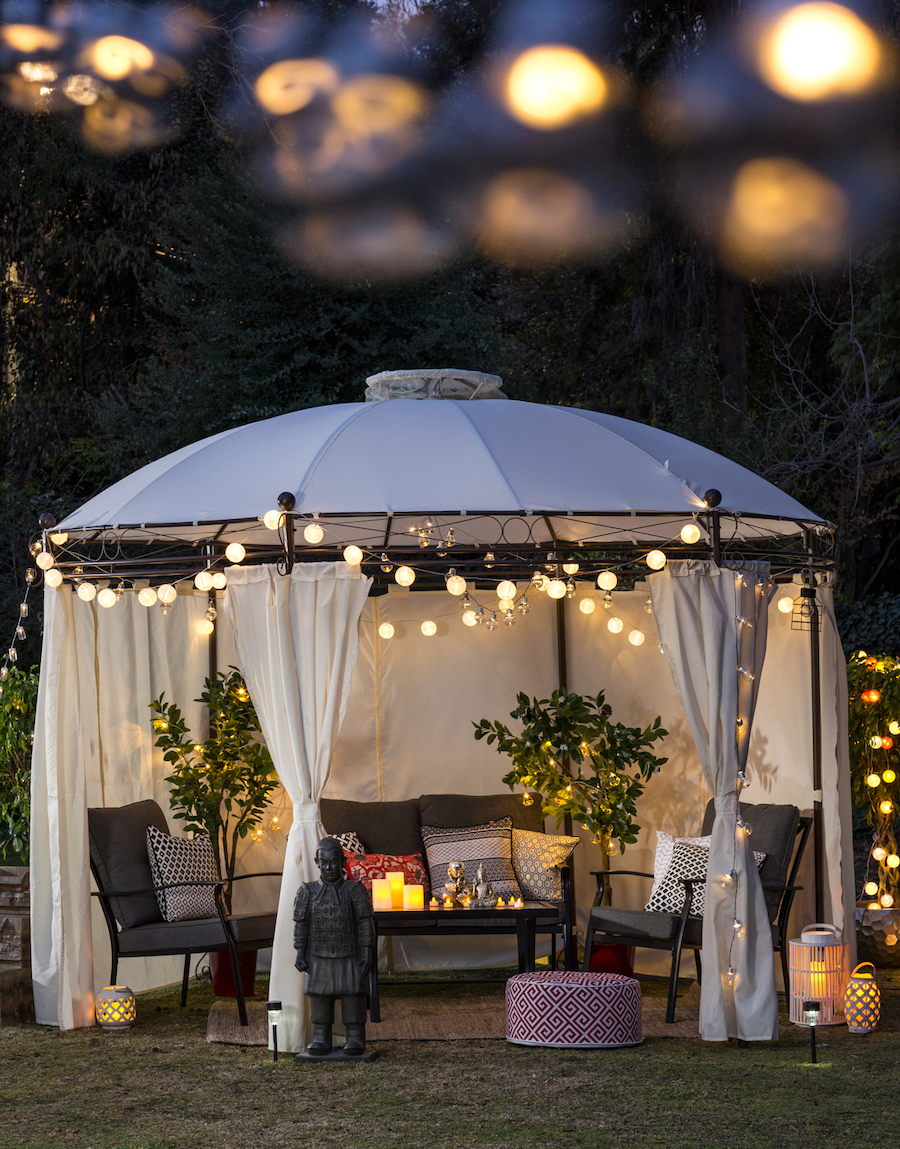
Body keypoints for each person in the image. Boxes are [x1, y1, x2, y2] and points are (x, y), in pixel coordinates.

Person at [293, 837, 374, 1056]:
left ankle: (355, 1038)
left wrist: (366, 951)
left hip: (350, 955)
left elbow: (365, 923)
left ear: (342, 862)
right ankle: (321, 1038)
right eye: (324, 862)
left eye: (334, 861)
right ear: (317, 862)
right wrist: (301, 952)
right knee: (319, 996)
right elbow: (302, 925)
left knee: (353, 994)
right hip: (318, 956)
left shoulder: (355, 890)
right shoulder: (307, 892)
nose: (329, 867)